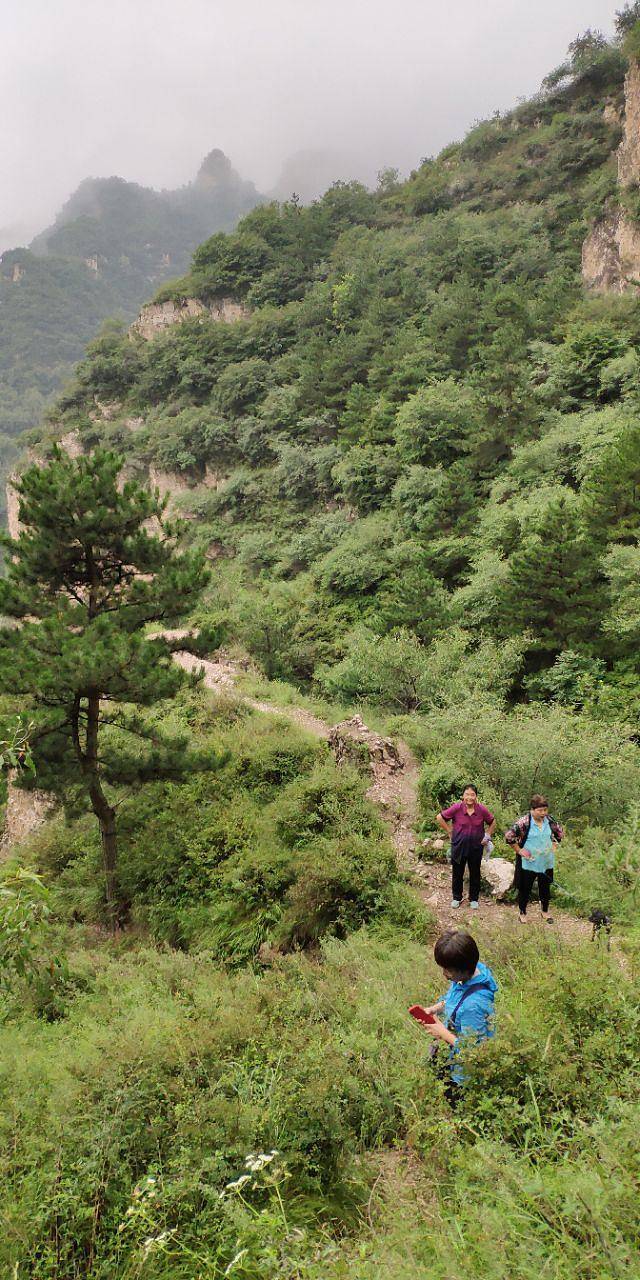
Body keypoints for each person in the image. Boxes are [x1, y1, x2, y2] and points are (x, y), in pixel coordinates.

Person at [419, 929, 498, 1103]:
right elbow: (454, 998)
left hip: (463, 1074)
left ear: (463, 969)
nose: (444, 974)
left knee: (455, 1101)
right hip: (451, 1056)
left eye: (448, 971)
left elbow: (473, 1051)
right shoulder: (473, 972)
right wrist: (435, 1009)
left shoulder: (473, 1007)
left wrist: (442, 1032)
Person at [505, 795, 563, 925]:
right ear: (532, 809)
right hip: (528, 861)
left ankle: (545, 911)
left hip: (545, 861)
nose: (543, 813)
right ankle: (522, 912)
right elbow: (509, 836)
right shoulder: (524, 822)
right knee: (525, 887)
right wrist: (519, 850)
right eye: (540, 810)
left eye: (545, 810)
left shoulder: (550, 820)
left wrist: (554, 845)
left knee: (545, 886)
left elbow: (559, 833)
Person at [436, 785, 495, 910]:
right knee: (458, 873)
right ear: (463, 796)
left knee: (475, 873)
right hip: (459, 846)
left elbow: (492, 822)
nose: (469, 797)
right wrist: (449, 831)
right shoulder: (457, 808)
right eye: (467, 794)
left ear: (476, 796)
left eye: (472, 794)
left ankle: (473, 899)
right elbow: (440, 817)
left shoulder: (481, 810)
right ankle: (457, 898)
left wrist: (488, 835)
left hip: (476, 848)